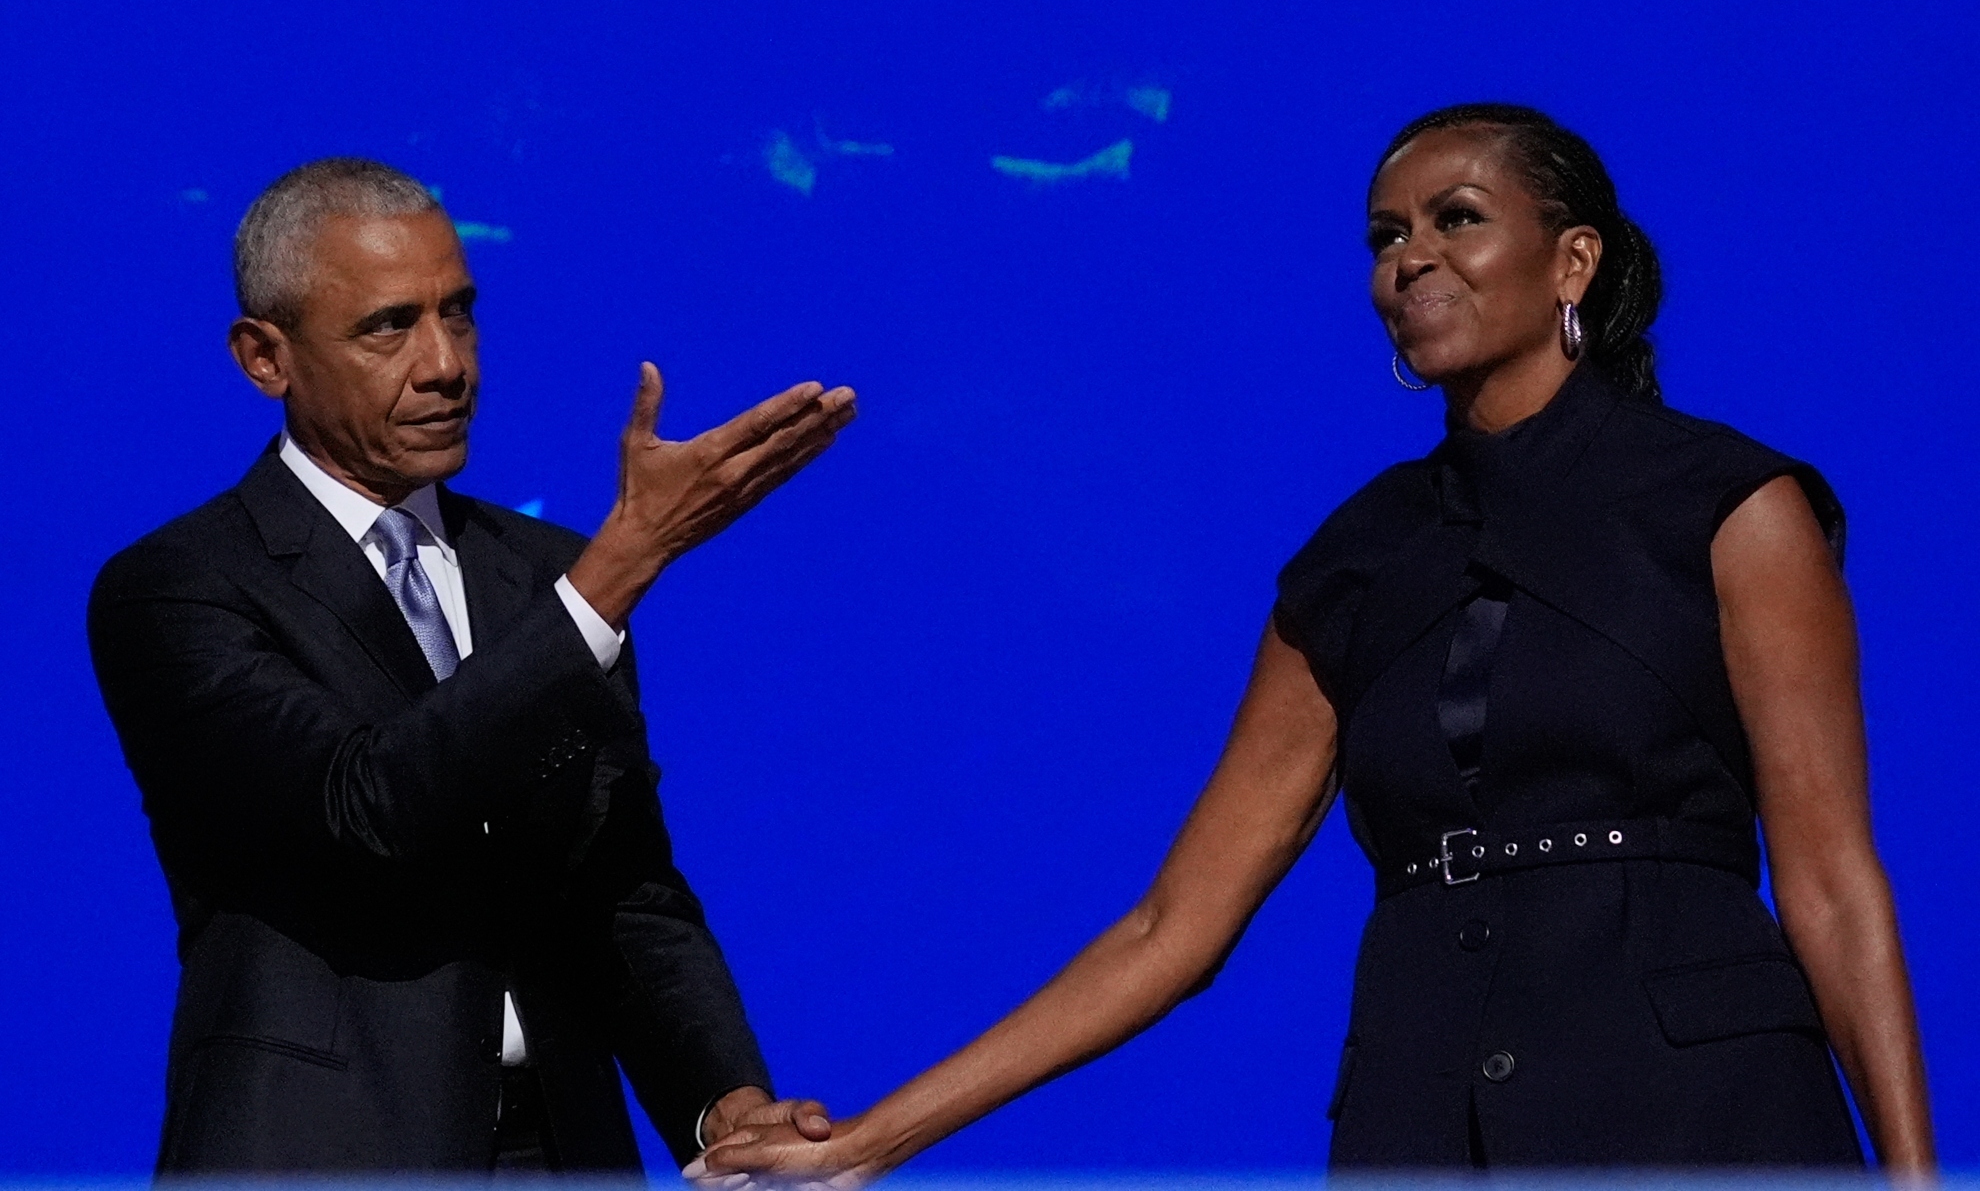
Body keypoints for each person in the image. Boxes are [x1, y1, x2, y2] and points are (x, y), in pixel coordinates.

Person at [695, 105, 1935, 1179]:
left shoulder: (1727, 505)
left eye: (1456, 219)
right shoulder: (1361, 556)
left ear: (1574, 262)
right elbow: (1170, 929)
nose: (1412, 261)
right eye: (1386, 237)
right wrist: (871, 1140)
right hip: (1425, 1117)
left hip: (1696, 1116)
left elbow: (1830, 884)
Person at [87, 158, 855, 1172]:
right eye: (389, 326)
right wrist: (616, 574)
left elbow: (624, 890)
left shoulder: (542, 578)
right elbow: (364, 806)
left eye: (461, 314)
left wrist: (725, 1102)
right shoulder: (180, 587)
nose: (447, 365)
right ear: (264, 358)